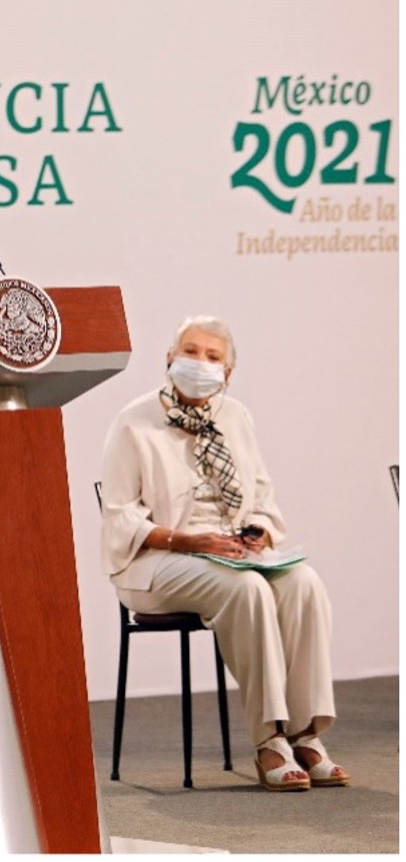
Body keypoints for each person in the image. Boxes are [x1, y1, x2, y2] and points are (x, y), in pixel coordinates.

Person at [99, 315, 348, 792]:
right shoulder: (134, 421)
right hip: (156, 563)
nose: (200, 363)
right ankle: (269, 740)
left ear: (228, 374)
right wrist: (190, 541)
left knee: (304, 583)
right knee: (247, 587)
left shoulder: (236, 417)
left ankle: (304, 732)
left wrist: (257, 530)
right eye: (191, 352)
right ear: (169, 359)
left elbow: (262, 497)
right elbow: (121, 518)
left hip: (230, 554)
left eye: (213, 358)